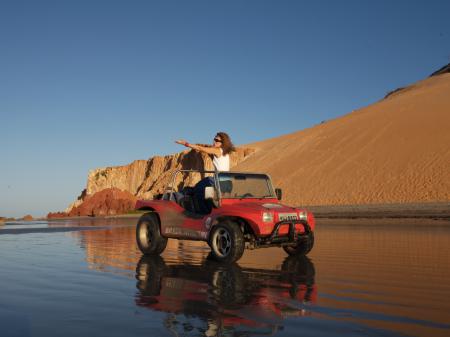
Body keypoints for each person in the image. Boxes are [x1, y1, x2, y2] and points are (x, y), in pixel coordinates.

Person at [175, 132, 235, 213]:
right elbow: (206, 150)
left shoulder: (218, 150)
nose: (214, 141)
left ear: (222, 143)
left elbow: (201, 148)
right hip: (227, 183)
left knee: (198, 190)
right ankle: (207, 211)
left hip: (219, 182)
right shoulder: (225, 152)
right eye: (214, 139)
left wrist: (186, 143)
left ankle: (202, 213)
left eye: (217, 140)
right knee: (206, 192)